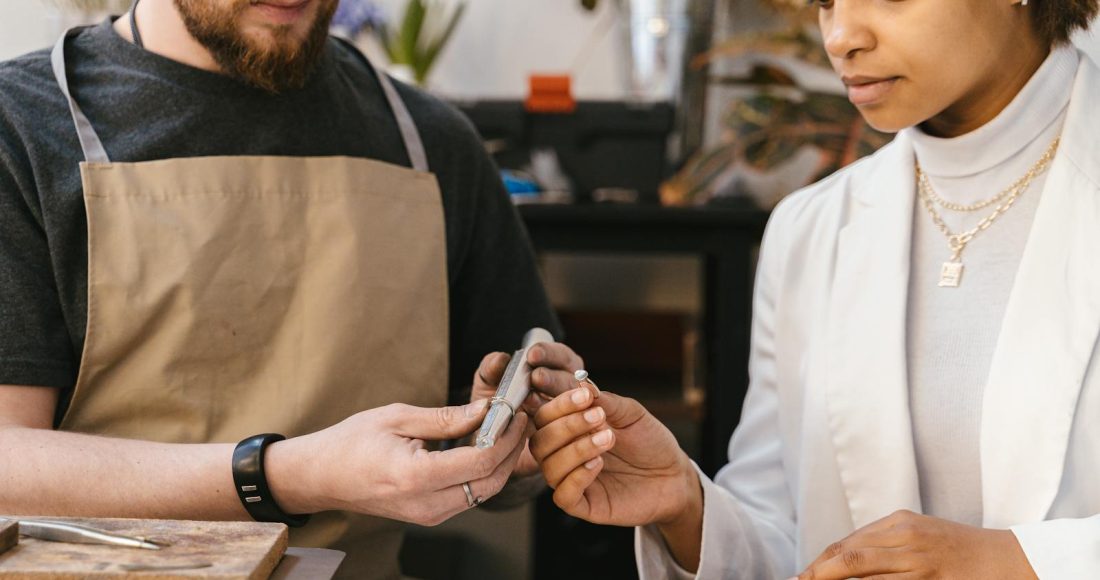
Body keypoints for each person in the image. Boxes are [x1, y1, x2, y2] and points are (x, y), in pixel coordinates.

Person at [0, 0, 578, 577]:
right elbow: (9, 466)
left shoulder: (430, 143)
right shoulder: (23, 125)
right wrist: (286, 475)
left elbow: (501, 451)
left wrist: (521, 452)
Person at [530, 1, 1100, 578]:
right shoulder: (809, 230)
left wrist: (1014, 561)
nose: (841, 37)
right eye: (825, 2)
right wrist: (686, 506)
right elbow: (792, 544)